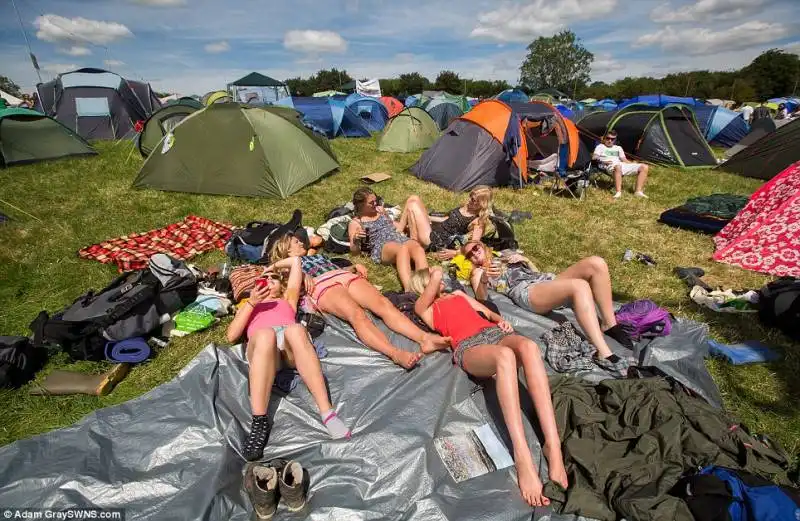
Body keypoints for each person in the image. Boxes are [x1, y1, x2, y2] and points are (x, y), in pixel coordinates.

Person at [410, 267, 568, 507]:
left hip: (492, 333)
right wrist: (434, 275)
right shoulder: (427, 308)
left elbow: (486, 313)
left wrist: (500, 321)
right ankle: (522, 455)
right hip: (469, 347)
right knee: (505, 357)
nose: (442, 282)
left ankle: (552, 444)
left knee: (529, 347)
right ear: (425, 284)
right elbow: (425, 299)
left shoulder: (459, 296)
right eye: (434, 281)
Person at [226, 257, 352, 461]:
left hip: (289, 348)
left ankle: (327, 412)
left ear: (281, 286)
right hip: (265, 351)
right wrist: (252, 302)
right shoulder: (251, 306)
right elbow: (231, 335)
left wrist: (271, 267)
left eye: (273, 279)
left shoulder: (287, 300)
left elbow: (295, 262)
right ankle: (259, 421)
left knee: (295, 329)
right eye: (263, 279)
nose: (268, 280)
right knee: (266, 334)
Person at [268, 234, 450, 369]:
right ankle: (395, 353)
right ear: (286, 249)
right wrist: (299, 272)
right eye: (295, 242)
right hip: (322, 285)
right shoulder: (286, 266)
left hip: (343, 275)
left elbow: (331, 266)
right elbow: (280, 281)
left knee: (383, 304)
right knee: (356, 315)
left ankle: (424, 338)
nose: (301, 242)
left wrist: (352, 267)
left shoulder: (315, 256)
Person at [461, 241, 633, 358]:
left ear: (482, 246)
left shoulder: (504, 255)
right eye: (469, 255)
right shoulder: (478, 272)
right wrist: (484, 277)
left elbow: (536, 272)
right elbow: (481, 298)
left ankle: (609, 324)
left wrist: (525, 260)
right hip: (528, 291)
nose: (474, 253)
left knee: (597, 263)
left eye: (475, 248)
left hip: (545, 280)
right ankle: (604, 352)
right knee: (579, 286)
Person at [349, 187, 428, 291]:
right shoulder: (356, 223)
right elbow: (354, 252)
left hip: (397, 237)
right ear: (361, 205)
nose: (375, 204)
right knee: (402, 249)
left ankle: (425, 284)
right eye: (371, 203)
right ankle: (409, 290)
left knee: (418, 248)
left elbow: (392, 225)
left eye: (376, 201)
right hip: (382, 245)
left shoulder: (380, 211)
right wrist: (356, 238)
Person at [396, 186, 493, 260]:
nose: (469, 200)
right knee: (414, 198)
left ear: (481, 203)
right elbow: (446, 219)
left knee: (412, 205)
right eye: (470, 196)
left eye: (473, 200)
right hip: (433, 231)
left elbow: (473, 246)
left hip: (435, 241)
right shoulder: (467, 206)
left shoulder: (478, 221)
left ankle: (399, 234)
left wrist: (455, 253)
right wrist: (426, 217)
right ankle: (401, 233)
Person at [592, 130, 649, 199]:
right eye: (608, 138)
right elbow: (594, 157)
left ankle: (638, 192)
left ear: (615, 140)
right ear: (604, 138)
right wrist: (603, 161)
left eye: (612, 139)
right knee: (618, 167)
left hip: (620, 164)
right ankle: (618, 192)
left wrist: (633, 164)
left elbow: (624, 160)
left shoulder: (618, 148)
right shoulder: (600, 147)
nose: (610, 141)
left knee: (644, 166)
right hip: (607, 165)